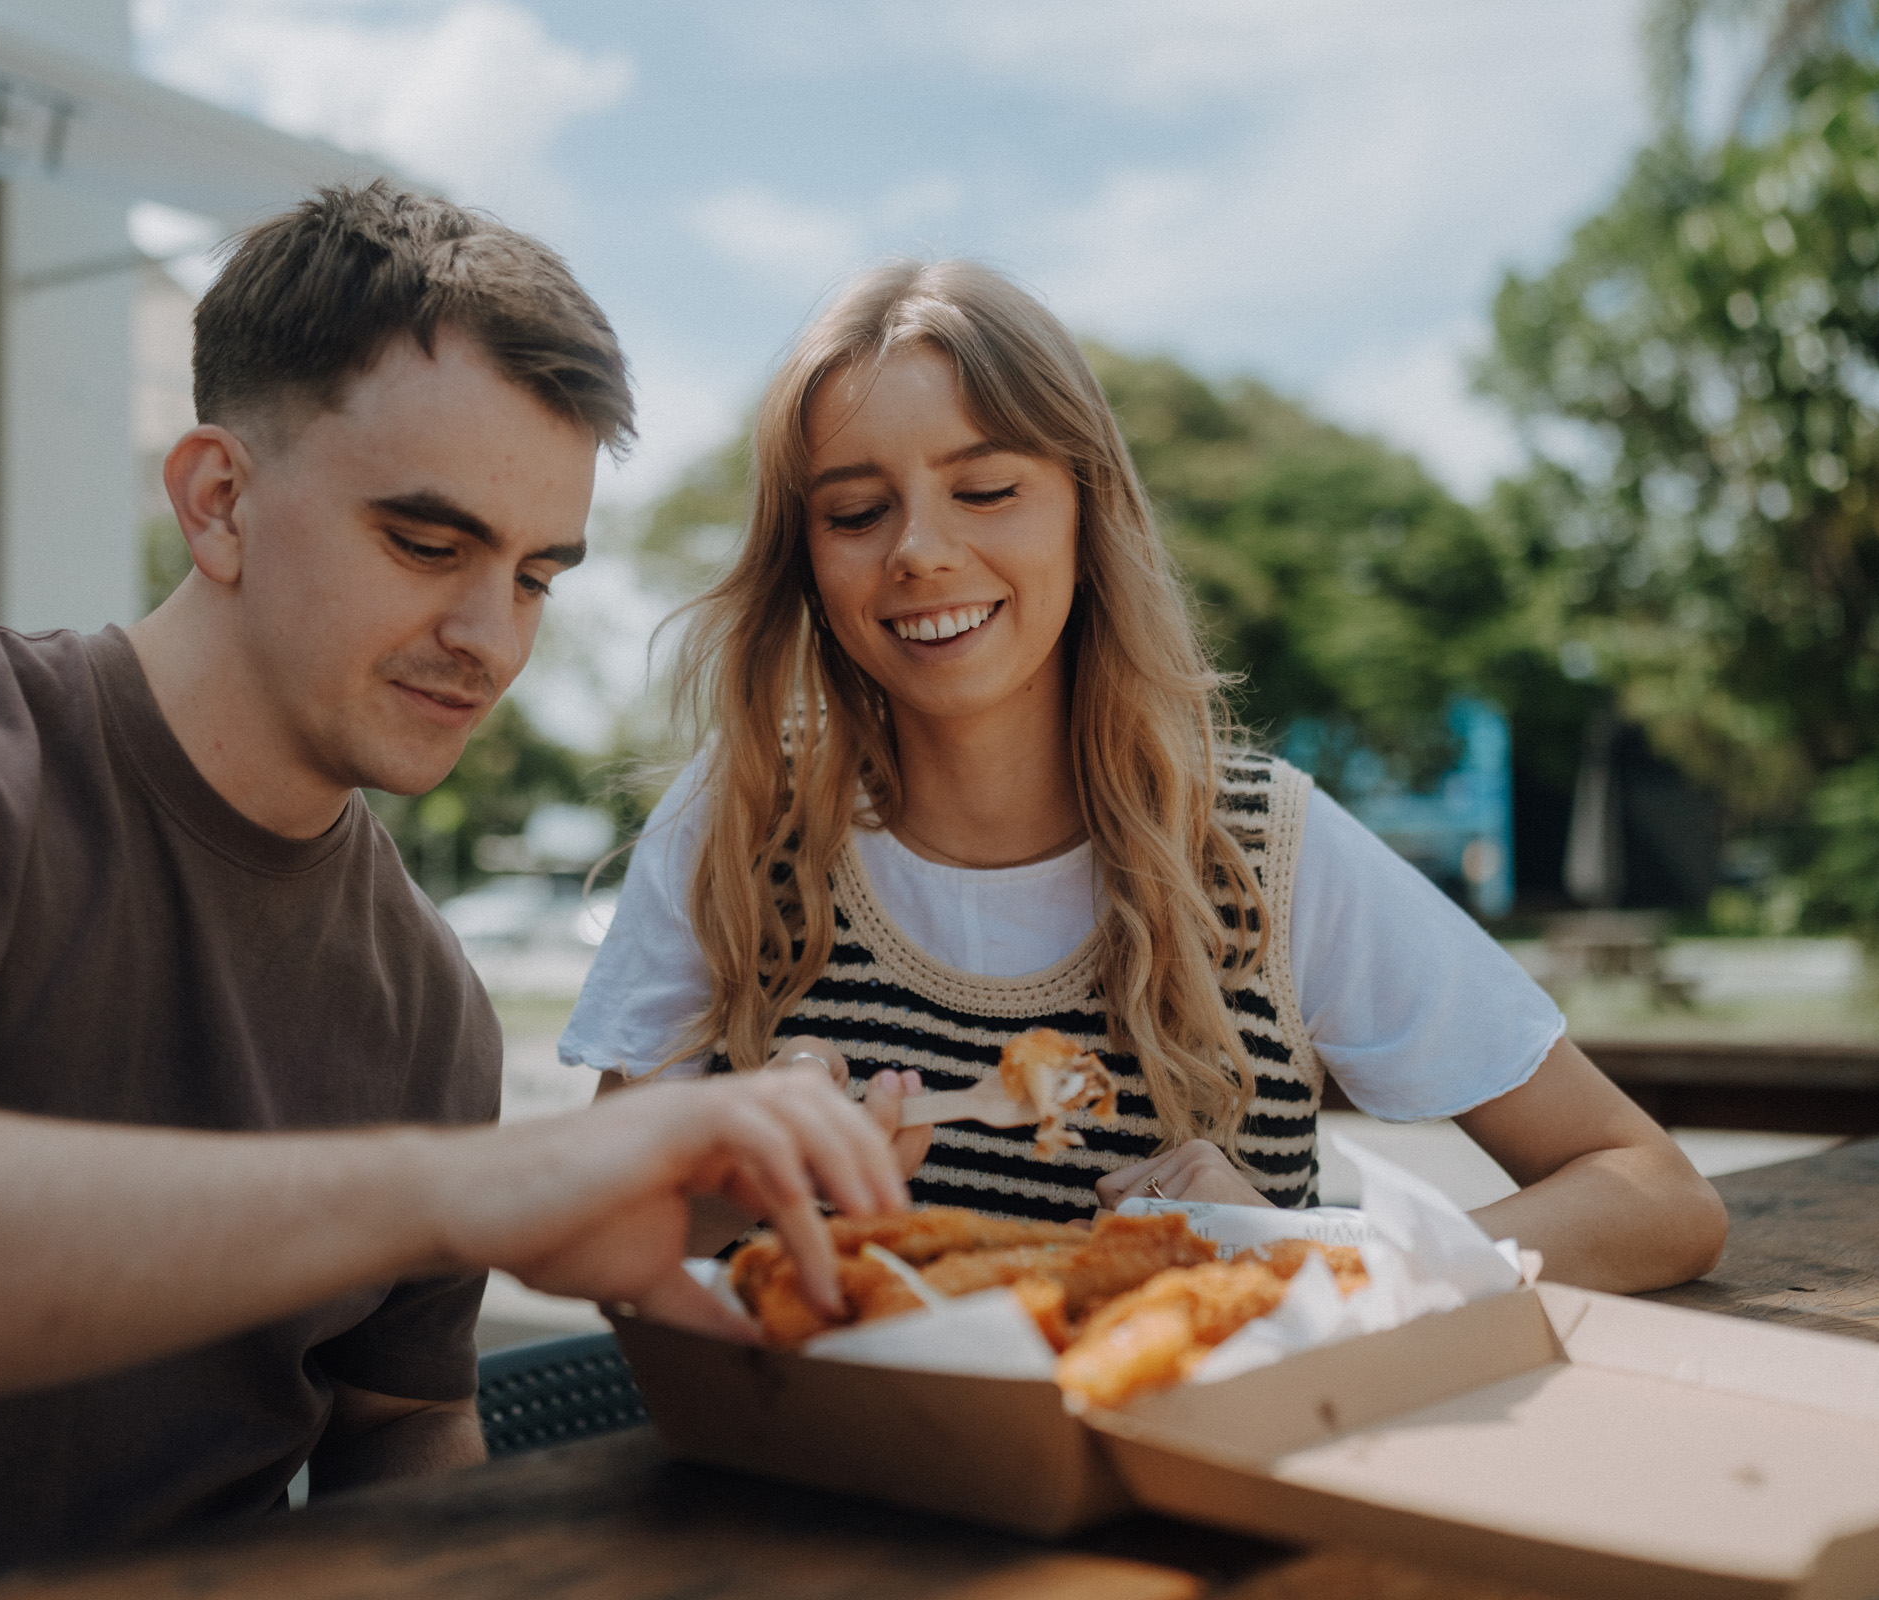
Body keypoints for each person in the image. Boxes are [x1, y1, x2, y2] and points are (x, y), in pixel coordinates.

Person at [0, 183, 907, 1600]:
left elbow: (403, 1427)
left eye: (536, 576)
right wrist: (472, 1184)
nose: (490, 639)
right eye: (428, 544)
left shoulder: (424, 995)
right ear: (218, 501)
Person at [560, 259, 1728, 1293]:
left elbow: (1654, 1194)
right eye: (857, 511)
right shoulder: (738, 823)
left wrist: (1307, 1259)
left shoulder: (1262, 851)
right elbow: (610, 1237)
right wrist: (759, 1181)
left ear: (1086, 510)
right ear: (807, 561)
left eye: (987, 489)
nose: (918, 548)